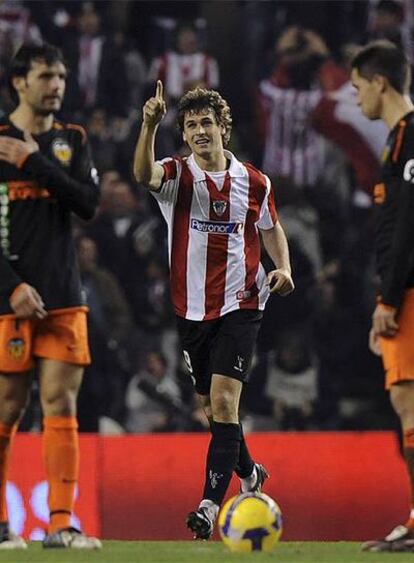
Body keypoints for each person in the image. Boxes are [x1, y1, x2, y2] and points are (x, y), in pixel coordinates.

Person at [133, 81, 294, 539]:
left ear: (223, 128)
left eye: (207, 122)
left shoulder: (255, 181)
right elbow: (143, 174)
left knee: (225, 402)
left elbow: (272, 228)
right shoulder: (177, 177)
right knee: (212, 411)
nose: (199, 131)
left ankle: (207, 507)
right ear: (183, 134)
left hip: (243, 302)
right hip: (191, 310)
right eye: (190, 125)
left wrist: (283, 268)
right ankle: (250, 474)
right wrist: (148, 126)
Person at [0, 43, 101, 549]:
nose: (56, 85)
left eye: (60, 76)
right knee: (6, 406)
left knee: (61, 402)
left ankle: (61, 524)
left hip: (63, 294)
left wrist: (35, 162)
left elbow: (87, 204)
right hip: (8, 299)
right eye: (45, 76)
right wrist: (11, 287)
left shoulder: (71, 140)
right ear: (20, 81)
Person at [351, 40, 414, 552]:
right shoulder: (398, 141)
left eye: (357, 88)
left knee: (408, 401)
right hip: (403, 288)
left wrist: (387, 301)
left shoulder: (410, 138)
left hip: (409, 291)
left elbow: (406, 227)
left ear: (380, 83)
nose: (356, 100)